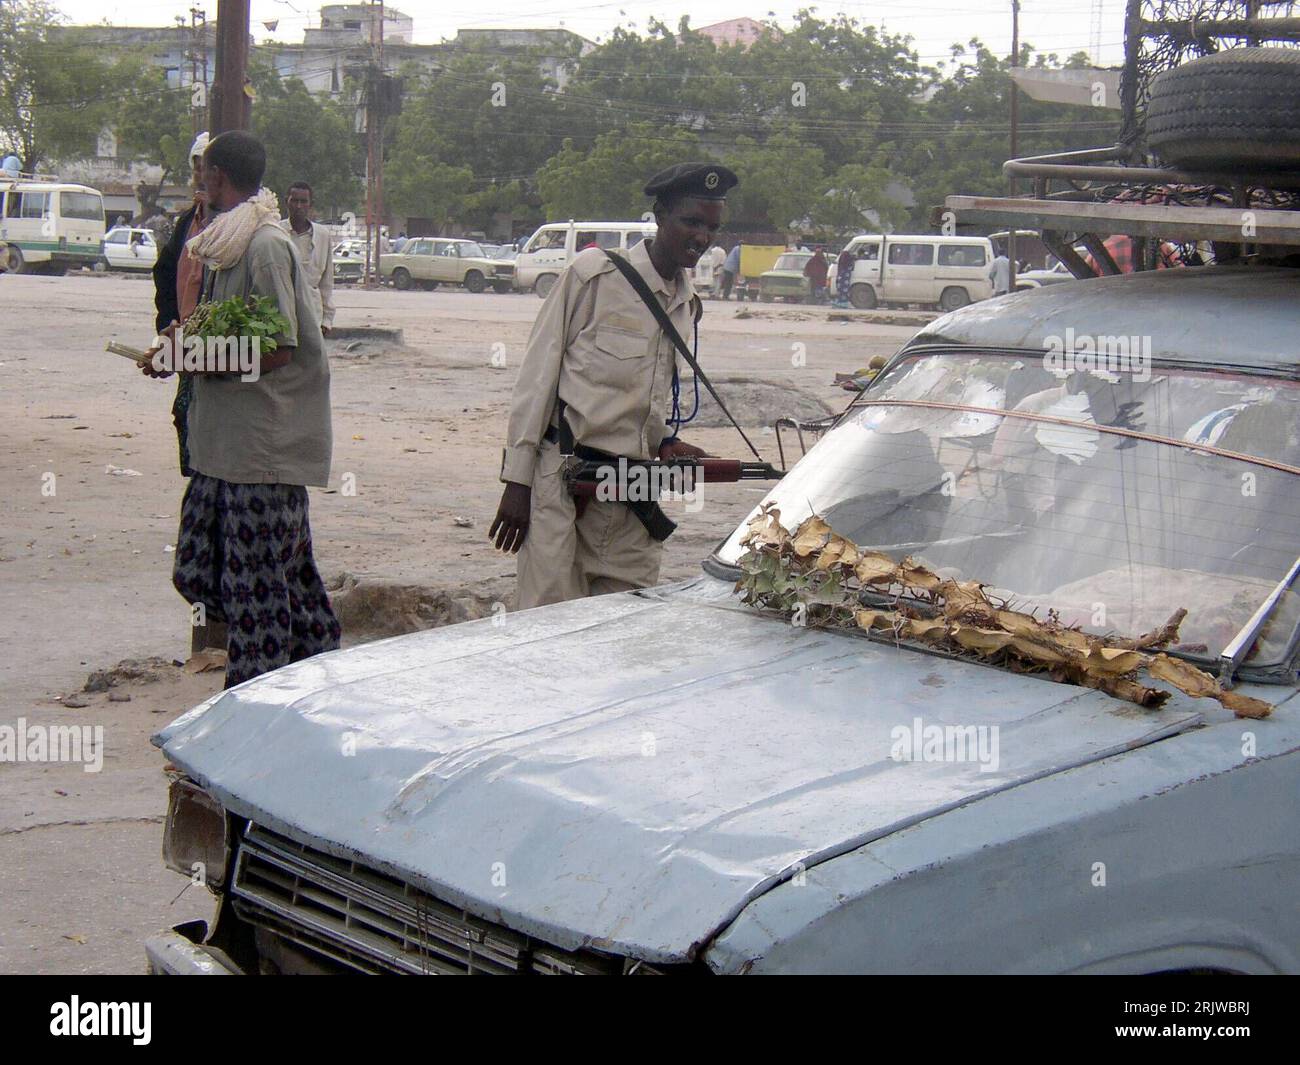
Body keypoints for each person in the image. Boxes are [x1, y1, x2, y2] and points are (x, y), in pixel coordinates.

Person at [489, 161, 739, 609]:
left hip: (634, 490)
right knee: (547, 625)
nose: (702, 237)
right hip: (564, 484)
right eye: (691, 221)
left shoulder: (687, 303)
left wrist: (668, 440)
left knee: (623, 628)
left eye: (712, 227)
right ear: (660, 216)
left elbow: (649, 395)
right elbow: (536, 379)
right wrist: (517, 481)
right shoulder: (594, 274)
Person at [141, 131, 340, 688]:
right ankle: (319, 670)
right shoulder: (225, 242)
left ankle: (256, 707)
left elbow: (278, 348)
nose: (198, 180)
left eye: (203, 171)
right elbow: (215, 328)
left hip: (262, 451)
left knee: (258, 597)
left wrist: (199, 358)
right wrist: (176, 349)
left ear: (217, 176)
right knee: (205, 570)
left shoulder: (265, 246)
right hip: (222, 447)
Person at [152, 131, 212, 477]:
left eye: (209, 170)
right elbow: (164, 276)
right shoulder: (187, 222)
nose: (202, 178)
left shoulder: (239, 227)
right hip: (187, 345)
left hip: (220, 350)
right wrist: (167, 330)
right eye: (198, 169)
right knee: (185, 414)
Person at [279, 181, 336, 337]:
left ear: (311, 204)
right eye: (294, 201)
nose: (298, 206)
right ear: (286, 202)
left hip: (313, 314)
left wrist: (327, 319)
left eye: (303, 201)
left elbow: (327, 281)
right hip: (282, 312)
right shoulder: (275, 232)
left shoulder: (322, 236)